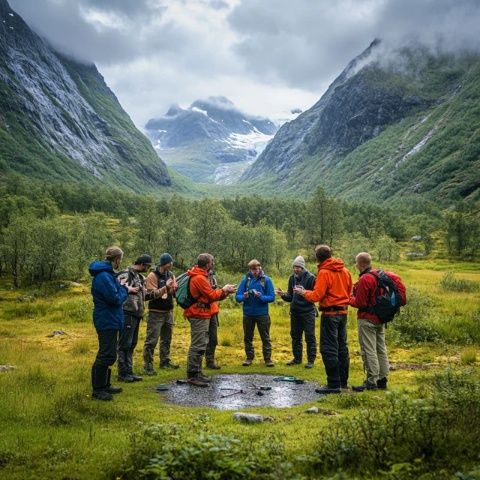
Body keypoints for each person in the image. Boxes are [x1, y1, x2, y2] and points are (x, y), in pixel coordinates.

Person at [294, 245, 352, 394]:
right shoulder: (345, 270)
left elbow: (317, 296)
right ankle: (343, 382)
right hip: (343, 313)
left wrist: (303, 292)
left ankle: (333, 384)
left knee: (329, 348)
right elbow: (349, 290)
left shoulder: (324, 272)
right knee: (342, 348)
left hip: (330, 314)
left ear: (317, 257)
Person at [89, 246, 138, 401]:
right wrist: (125, 289)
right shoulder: (103, 276)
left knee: (110, 353)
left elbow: (116, 292)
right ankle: (98, 390)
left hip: (111, 318)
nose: (120, 263)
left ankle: (105, 385)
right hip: (106, 319)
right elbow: (115, 298)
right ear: (116, 259)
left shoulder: (109, 275)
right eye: (120, 260)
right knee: (106, 354)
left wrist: (123, 287)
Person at [349, 252, 399, 391]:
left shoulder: (365, 279)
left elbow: (360, 303)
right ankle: (382, 379)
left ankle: (371, 381)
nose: (355, 265)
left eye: (356, 263)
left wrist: (348, 299)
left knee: (368, 350)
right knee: (381, 349)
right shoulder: (379, 275)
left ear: (361, 264)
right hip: (380, 318)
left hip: (367, 319)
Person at [184, 253, 236, 387]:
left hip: (204, 313)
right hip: (198, 314)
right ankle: (192, 375)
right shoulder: (199, 278)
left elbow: (211, 296)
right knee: (198, 344)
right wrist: (223, 289)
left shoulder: (202, 276)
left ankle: (198, 372)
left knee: (202, 343)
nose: (213, 263)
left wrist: (224, 292)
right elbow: (212, 295)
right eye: (212, 262)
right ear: (207, 264)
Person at [116, 254, 152, 382]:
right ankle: (122, 373)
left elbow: (144, 296)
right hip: (127, 313)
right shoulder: (125, 274)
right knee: (124, 344)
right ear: (142, 264)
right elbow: (117, 290)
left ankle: (129, 371)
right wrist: (128, 289)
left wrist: (164, 290)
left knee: (132, 344)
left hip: (137, 314)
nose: (148, 269)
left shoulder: (140, 277)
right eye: (148, 266)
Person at [276, 255, 317, 368]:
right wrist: (283, 295)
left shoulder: (311, 278)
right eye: (294, 267)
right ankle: (297, 359)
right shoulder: (292, 278)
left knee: (310, 337)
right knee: (295, 336)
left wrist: (304, 292)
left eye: (298, 267)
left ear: (302, 268)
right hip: (295, 312)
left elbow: (315, 296)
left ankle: (310, 360)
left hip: (308, 312)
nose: (295, 269)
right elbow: (290, 297)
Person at [143, 253, 179, 375]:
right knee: (152, 340)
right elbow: (152, 294)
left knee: (166, 339)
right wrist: (165, 287)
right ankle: (148, 365)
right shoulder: (152, 276)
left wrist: (174, 289)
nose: (172, 264)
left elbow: (171, 292)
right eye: (171, 262)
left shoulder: (171, 275)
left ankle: (165, 361)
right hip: (156, 313)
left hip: (168, 311)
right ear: (166, 263)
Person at [236, 259, 276, 367]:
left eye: (256, 269)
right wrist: (243, 296)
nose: (255, 271)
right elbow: (237, 297)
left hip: (262, 314)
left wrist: (261, 296)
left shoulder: (266, 280)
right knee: (248, 337)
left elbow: (272, 297)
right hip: (248, 314)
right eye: (253, 269)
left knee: (265, 337)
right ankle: (249, 358)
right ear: (250, 269)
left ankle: (267, 359)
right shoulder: (245, 280)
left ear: (260, 268)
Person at [204, 266, 221, 370]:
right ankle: (196, 364)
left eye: (211, 274)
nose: (210, 275)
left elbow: (215, 295)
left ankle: (210, 361)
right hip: (202, 312)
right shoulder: (200, 279)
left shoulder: (213, 279)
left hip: (213, 311)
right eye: (209, 274)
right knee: (202, 339)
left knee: (213, 339)